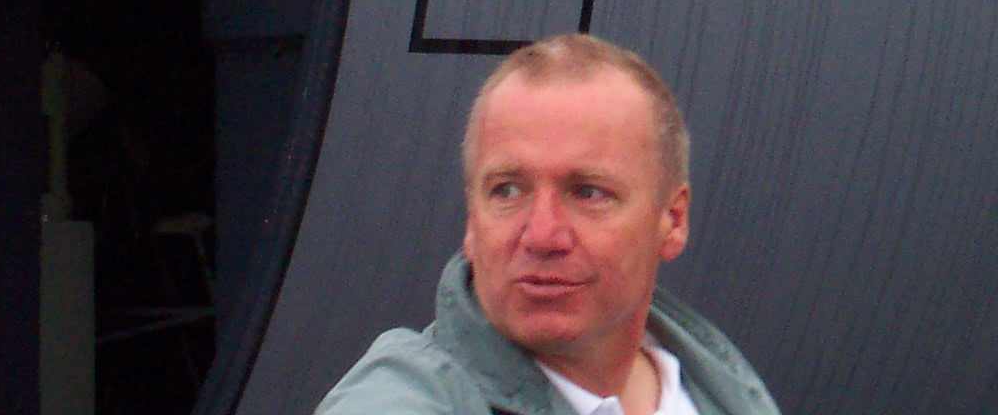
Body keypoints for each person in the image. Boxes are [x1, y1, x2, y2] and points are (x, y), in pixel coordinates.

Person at [316, 34, 778, 415]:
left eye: (588, 193)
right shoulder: (397, 401)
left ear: (672, 220)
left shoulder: (720, 391)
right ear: (472, 221)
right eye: (507, 191)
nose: (541, 235)